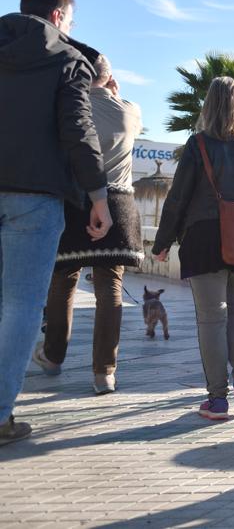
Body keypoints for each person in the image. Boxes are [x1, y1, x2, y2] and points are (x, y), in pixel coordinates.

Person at [0, 0, 111, 446]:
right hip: (36, 196)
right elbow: (78, 131)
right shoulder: (68, 60)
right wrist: (98, 196)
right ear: (60, 15)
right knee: (21, 306)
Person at [152, 77, 234, 420]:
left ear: (209, 106)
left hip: (204, 237)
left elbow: (178, 198)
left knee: (212, 318)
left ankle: (217, 399)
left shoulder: (198, 144)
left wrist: (162, 243)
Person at [33, 53, 144, 395]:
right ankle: (104, 373)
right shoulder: (130, 111)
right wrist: (114, 93)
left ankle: (52, 356)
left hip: (75, 203)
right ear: (110, 79)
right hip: (119, 204)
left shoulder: (69, 110)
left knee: (63, 280)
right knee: (109, 287)